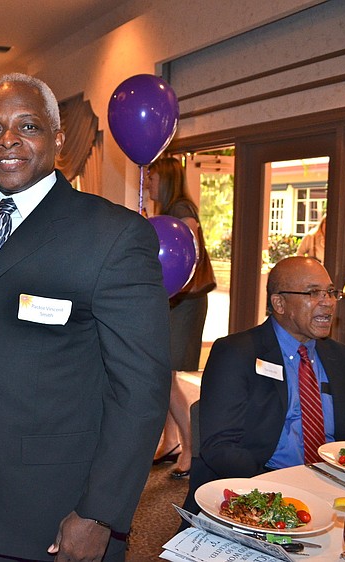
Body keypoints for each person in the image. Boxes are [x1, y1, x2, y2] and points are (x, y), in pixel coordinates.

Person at [0, 73, 171, 561]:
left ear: (58, 138)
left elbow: (141, 389)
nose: (7, 140)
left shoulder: (112, 236)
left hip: (63, 509)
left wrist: (100, 513)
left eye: (28, 126)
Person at [181, 256, 345, 516]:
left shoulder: (342, 358)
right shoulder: (236, 353)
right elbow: (220, 448)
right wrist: (283, 490)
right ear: (279, 303)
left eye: (330, 292)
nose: (328, 302)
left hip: (331, 487)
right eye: (313, 293)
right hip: (260, 487)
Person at [146, 157, 212, 479]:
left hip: (184, 302)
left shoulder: (181, 209)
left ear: (167, 179)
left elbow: (189, 251)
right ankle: (171, 440)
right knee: (167, 375)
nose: (149, 184)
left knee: (165, 377)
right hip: (173, 301)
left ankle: (191, 447)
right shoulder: (168, 210)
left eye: (154, 178)